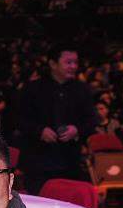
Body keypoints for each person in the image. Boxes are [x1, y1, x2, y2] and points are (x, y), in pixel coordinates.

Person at [17, 44, 96, 194]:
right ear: (53, 64)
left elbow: (91, 120)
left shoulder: (82, 90)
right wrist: (39, 130)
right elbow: (19, 119)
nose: (73, 66)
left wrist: (76, 129)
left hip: (70, 160)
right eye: (68, 62)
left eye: (75, 62)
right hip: (39, 159)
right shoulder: (33, 88)